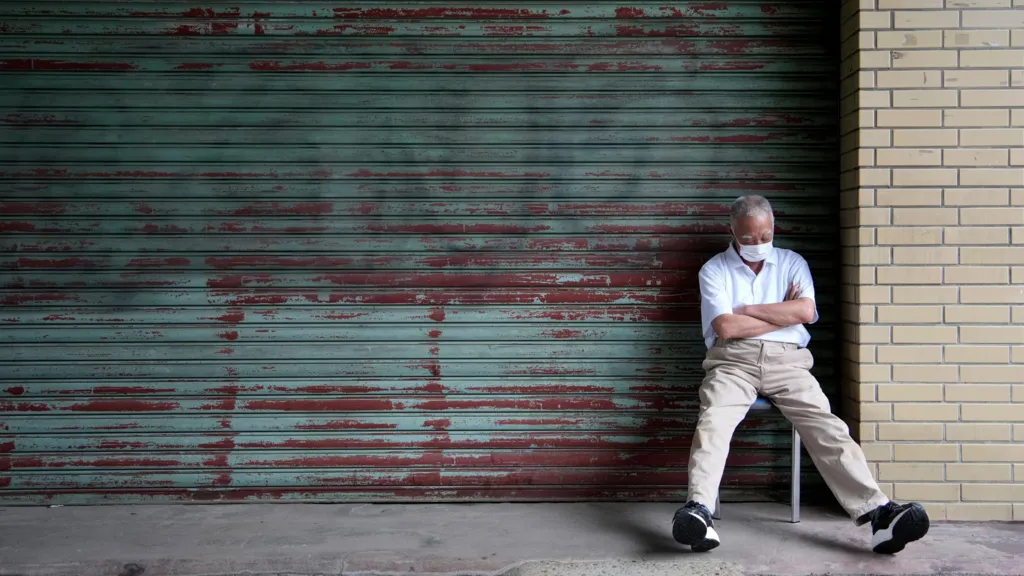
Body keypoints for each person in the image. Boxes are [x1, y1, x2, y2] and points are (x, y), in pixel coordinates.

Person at [671, 195, 929, 555]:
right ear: (732, 231)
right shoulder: (714, 270)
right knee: (713, 422)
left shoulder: (792, 263)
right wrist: (783, 313)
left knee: (827, 426)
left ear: (773, 227)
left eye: (765, 235)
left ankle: (880, 515)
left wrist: (748, 310)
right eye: (748, 238)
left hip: (789, 363)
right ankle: (698, 510)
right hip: (732, 362)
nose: (759, 243)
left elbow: (806, 311)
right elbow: (726, 327)